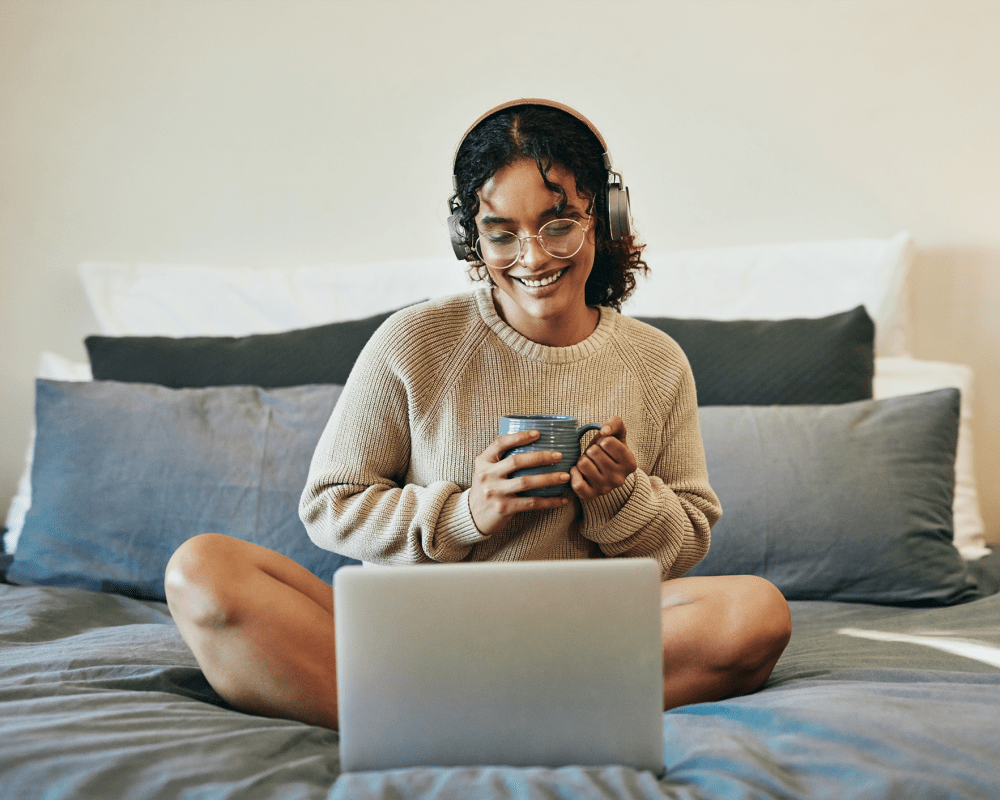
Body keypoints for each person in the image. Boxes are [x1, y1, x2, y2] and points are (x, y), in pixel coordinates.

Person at [165, 100, 791, 733]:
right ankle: (528, 719)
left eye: (558, 224)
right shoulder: (414, 340)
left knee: (755, 613)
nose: (534, 257)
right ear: (472, 237)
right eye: (501, 232)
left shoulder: (657, 363)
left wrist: (619, 497)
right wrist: (467, 514)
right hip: (423, 632)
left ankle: (419, 722)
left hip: (581, 635)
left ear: (603, 217)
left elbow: (686, 543)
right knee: (201, 570)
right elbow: (329, 504)